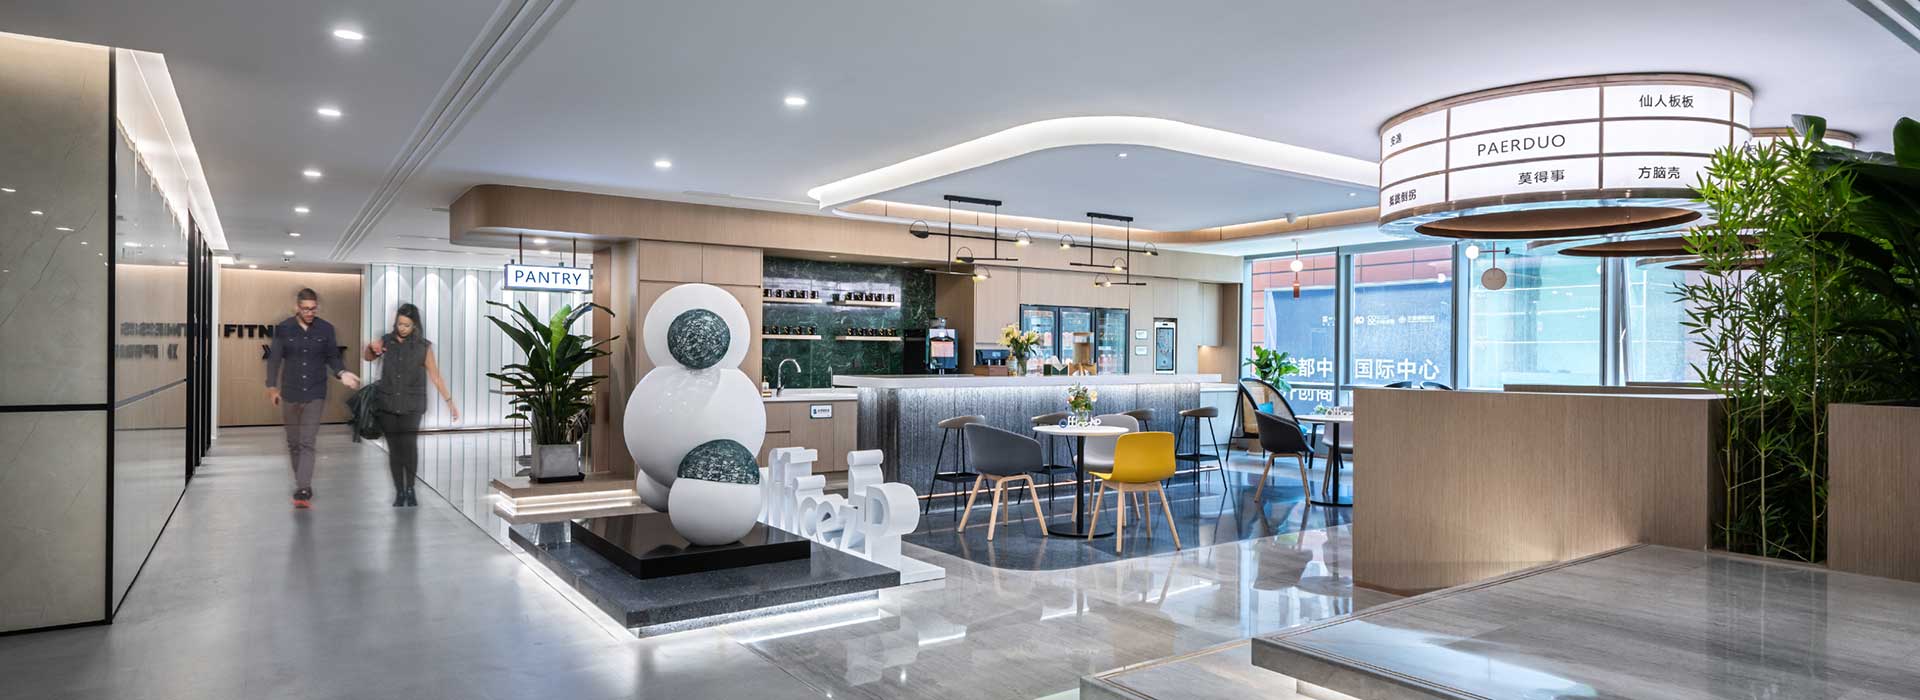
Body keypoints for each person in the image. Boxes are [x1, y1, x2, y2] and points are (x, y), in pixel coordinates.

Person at [266, 288, 360, 508]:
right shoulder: (284, 328)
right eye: (305, 309)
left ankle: (303, 488)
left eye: (313, 309)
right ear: (297, 307)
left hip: (315, 392)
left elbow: (333, 357)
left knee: (307, 441)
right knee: (293, 443)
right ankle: (302, 481)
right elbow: (274, 359)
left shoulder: (326, 329)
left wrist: (342, 373)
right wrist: (271, 386)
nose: (309, 313)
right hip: (290, 392)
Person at [363, 303, 458, 507]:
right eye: (399, 324)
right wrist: (371, 347)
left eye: (407, 325)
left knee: (409, 446)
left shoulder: (423, 346)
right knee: (394, 448)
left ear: (415, 325)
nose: (402, 328)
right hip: (387, 403)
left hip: (412, 404)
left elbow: (435, 375)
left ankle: (410, 488)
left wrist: (449, 402)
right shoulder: (386, 341)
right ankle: (399, 491)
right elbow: (368, 357)